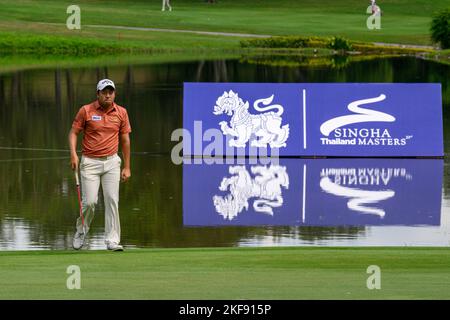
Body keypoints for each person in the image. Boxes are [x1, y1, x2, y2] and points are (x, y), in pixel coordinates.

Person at [69, 79, 131, 251]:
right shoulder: (86, 110)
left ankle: (112, 240)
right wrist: (74, 154)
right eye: (104, 92)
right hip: (89, 162)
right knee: (89, 202)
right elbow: (73, 133)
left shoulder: (121, 112)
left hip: (112, 162)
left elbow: (125, 140)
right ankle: (81, 231)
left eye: (111, 92)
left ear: (114, 94)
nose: (108, 95)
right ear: (98, 94)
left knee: (112, 200)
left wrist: (127, 167)